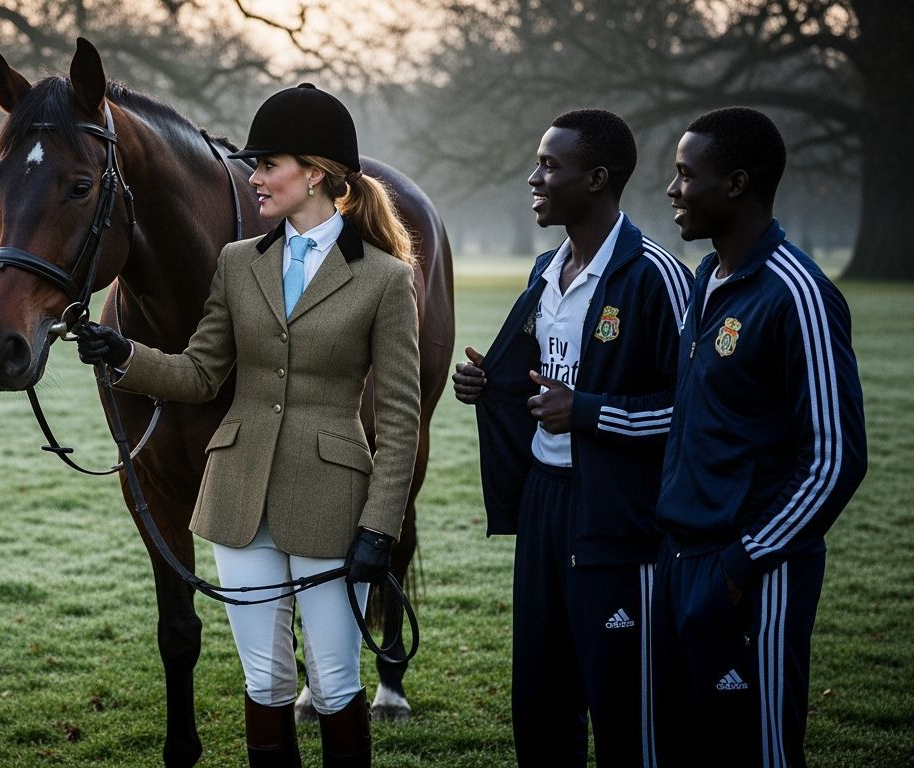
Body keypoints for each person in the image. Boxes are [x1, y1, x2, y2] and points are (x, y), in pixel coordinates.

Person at [75, 83, 421, 767]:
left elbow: (401, 418)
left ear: (317, 174)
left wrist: (381, 528)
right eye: (255, 165)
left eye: (269, 165)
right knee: (263, 682)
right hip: (237, 499)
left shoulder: (384, 278)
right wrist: (124, 355)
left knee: (335, 682)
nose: (253, 176)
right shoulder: (238, 263)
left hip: (332, 501)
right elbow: (201, 373)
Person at [451, 109, 692, 766]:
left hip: (618, 515)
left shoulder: (656, 277)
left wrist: (587, 412)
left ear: (597, 178)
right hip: (544, 503)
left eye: (551, 165)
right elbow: (536, 382)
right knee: (540, 695)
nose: (535, 177)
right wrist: (485, 384)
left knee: (624, 702)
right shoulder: (543, 273)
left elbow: (693, 412)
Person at [652, 107, 867, 767]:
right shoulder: (705, 280)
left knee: (761, 749)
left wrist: (742, 566)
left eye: (687, 175)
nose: (672, 189)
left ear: (737, 184)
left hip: (755, 572)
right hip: (683, 558)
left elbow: (835, 460)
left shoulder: (798, 294)